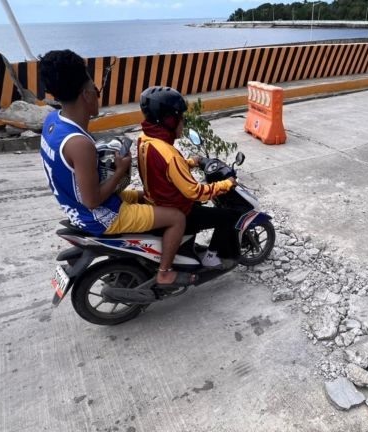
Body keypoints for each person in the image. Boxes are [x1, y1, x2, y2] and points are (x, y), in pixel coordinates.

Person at [39, 50, 195, 288]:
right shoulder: (79, 144)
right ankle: (165, 272)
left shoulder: (53, 122)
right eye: (96, 90)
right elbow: (93, 200)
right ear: (87, 95)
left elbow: (69, 171)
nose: (97, 96)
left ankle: (148, 257)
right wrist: (121, 170)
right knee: (176, 217)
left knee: (148, 196)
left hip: (73, 207)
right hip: (98, 215)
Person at [136, 86, 239, 268]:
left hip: (156, 201)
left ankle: (187, 246)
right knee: (228, 216)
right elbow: (195, 192)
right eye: (180, 118)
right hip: (177, 209)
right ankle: (211, 258)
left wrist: (191, 162)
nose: (183, 123)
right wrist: (226, 184)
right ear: (169, 120)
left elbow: (162, 169)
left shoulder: (144, 139)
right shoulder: (170, 154)